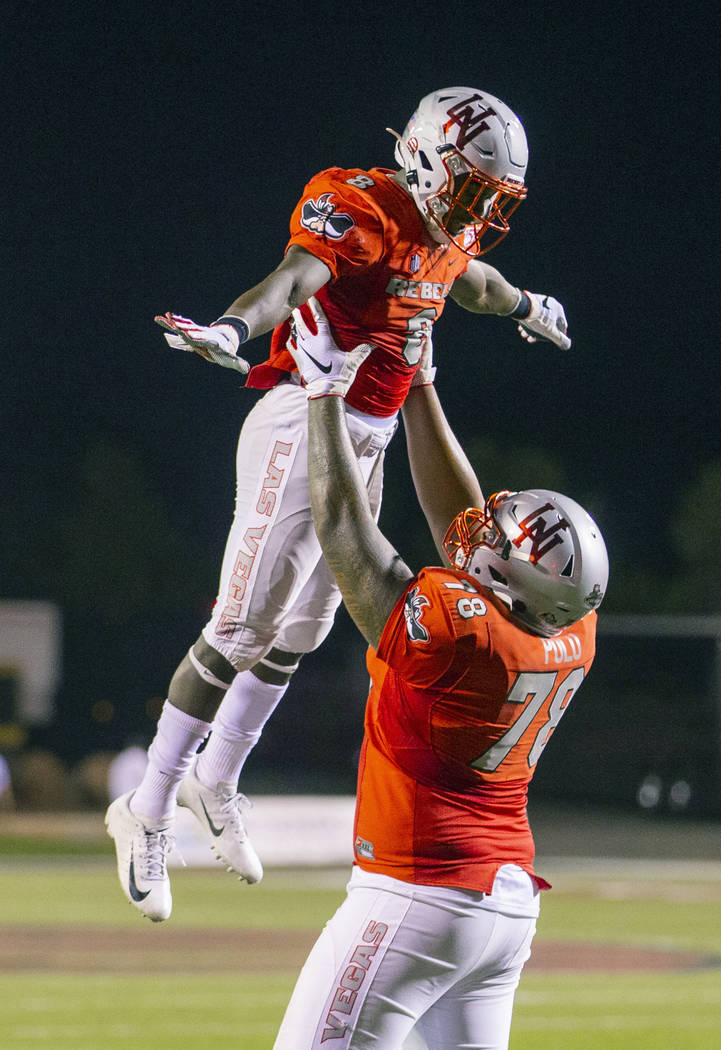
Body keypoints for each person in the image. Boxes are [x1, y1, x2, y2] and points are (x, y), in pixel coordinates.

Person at [106, 86, 573, 923]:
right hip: (301, 416)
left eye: (487, 199)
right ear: (429, 160)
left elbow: (473, 282)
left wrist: (527, 306)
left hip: (370, 436)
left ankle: (219, 779)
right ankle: (146, 805)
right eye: (469, 189)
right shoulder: (360, 208)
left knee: (303, 632)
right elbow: (292, 281)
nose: (476, 211)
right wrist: (230, 328)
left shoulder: (443, 229)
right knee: (240, 628)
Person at [271, 301, 608, 1050]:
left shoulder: (459, 632)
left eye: (500, 538)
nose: (484, 529)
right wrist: (419, 385)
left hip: (415, 895)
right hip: (502, 908)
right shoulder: (570, 624)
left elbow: (342, 531)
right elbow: (463, 524)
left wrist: (324, 391)